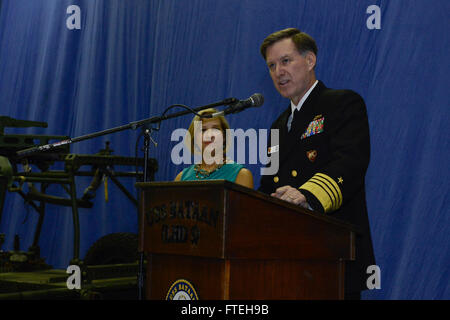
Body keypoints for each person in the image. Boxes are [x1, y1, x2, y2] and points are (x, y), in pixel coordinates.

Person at [258, 28, 375, 299]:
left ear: (310, 61)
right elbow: (269, 183)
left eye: (286, 61)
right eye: (272, 66)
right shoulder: (277, 126)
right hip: (285, 258)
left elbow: (350, 164)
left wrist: (306, 195)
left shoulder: (342, 103)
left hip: (331, 253)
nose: (278, 72)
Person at [175, 108, 254, 188]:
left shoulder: (241, 176)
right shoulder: (181, 178)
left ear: (224, 136)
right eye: (203, 130)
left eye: (215, 129)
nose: (209, 135)